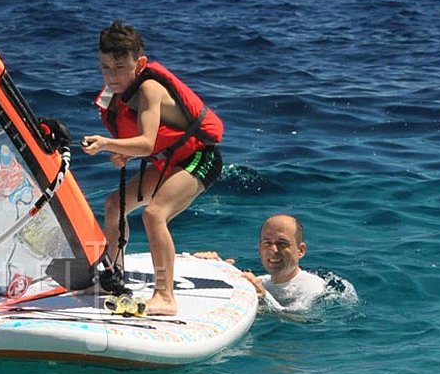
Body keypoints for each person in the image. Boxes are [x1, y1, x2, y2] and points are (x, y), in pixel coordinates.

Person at [81, 20, 224, 316]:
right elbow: (139, 142)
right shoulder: (113, 94)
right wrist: (123, 152)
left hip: (200, 158)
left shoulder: (148, 88)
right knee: (112, 206)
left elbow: (146, 143)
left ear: (140, 63)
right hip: (169, 160)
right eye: (105, 67)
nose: (112, 77)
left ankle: (165, 296)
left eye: (120, 68)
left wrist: (108, 145)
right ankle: (113, 278)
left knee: (154, 214)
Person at [197, 213, 354, 311]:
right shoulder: (262, 282)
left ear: (301, 250)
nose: (273, 249)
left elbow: (299, 320)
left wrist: (264, 298)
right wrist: (217, 268)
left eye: (282, 243)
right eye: (267, 243)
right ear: (259, 248)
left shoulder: (312, 287)